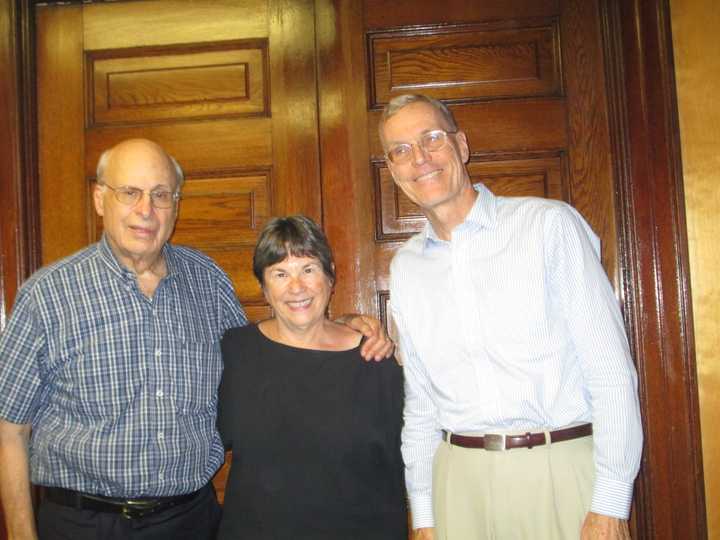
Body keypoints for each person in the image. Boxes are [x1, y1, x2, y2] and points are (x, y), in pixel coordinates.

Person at [0, 139, 393, 540]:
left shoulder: (206, 280)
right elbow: (9, 428)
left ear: (176, 204)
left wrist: (338, 325)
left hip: (188, 521)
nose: (145, 210)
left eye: (160, 195)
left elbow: (267, 352)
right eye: (130, 192)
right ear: (101, 199)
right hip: (82, 524)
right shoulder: (48, 295)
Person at [380, 95, 643, 540]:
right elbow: (421, 403)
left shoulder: (548, 226)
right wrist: (424, 514)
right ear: (392, 169)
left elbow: (610, 371)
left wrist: (611, 501)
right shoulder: (406, 269)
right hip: (457, 485)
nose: (419, 158)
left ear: (461, 146)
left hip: (558, 472)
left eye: (431, 139)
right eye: (400, 150)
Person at [217, 215, 408, 540]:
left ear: (330, 276)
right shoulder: (233, 353)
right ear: (263, 287)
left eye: (308, 269)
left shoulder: (375, 360)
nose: (297, 287)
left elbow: (407, 460)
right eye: (280, 273)